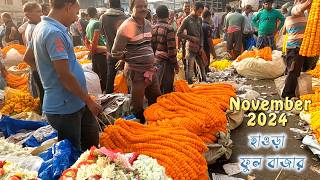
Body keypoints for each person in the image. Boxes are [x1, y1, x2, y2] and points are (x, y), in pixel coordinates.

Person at [23, 0, 101, 151]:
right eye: (75, 13)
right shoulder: (54, 33)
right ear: (67, 7)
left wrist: (46, 76)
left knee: (91, 146)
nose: (76, 18)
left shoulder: (41, 26)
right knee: (73, 155)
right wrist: (89, 101)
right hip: (66, 108)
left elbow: (28, 58)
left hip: (74, 101)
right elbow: (65, 76)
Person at [112, 0, 161, 123]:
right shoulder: (127, 26)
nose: (143, 9)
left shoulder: (149, 24)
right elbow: (115, 52)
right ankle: (140, 127)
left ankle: (154, 123)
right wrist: (128, 59)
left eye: (145, 6)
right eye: (139, 6)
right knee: (137, 104)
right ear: (131, 9)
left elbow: (148, 44)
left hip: (150, 69)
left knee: (156, 98)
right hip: (136, 72)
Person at [282, 0, 314, 99]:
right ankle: (287, 94)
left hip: (298, 47)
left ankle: (297, 90)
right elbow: (302, 7)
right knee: (293, 71)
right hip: (295, 47)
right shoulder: (294, 10)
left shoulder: (288, 18)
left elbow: (283, 32)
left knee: (296, 71)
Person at [100, 0, 127, 94]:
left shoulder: (103, 17)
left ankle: (108, 99)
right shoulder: (125, 17)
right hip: (124, 54)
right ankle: (128, 99)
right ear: (119, 4)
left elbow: (102, 33)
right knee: (127, 77)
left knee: (110, 78)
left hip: (110, 52)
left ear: (109, 4)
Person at [22, 2, 44, 111]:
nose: (41, 14)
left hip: (38, 67)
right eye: (38, 11)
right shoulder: (33, 29)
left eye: (41, 11)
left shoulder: (33, 26)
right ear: (28, 15)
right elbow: (28, 57)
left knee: (43, 94)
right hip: (39, 67)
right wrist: (38, 69)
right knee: (44, 95)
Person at [177, 2, 206, 84]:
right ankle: (190, 85)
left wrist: (201, 46)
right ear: (194, 9)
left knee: (202, 67)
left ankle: (204, 82)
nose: (200, 14)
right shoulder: (187, 20)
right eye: (199, 12)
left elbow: (201, 34)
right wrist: (191, 38)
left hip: (199, 47)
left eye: (201, 12)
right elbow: (178, 33)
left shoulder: (200, 19)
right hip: (190, 47)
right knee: (190, 68)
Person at [152, 5, 179, 94]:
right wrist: (175, 65)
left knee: (157, 88)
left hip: (155, 63)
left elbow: (151, 48)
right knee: (167, 90)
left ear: (157, 15)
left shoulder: (152, 28)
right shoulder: (169, 28)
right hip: (166, 65)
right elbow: (171, 50)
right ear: (167, 15)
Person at [86, 7, 108, 92]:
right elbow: (95, 41)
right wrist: (105, 49)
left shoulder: (89, 24)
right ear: (96, 13)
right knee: (104, 77)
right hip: (100, 54)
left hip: (94, 53)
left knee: (97, 76)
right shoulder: (97, 23)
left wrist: (91, 50)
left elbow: (86, 40)